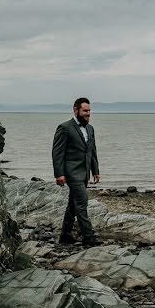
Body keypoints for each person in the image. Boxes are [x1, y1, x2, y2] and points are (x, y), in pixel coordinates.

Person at [52, 97, 102, 246]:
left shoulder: (90, 128)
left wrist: (95, 170)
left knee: (72, 206)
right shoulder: (65, 127)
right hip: (72, 173)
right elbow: (57, 152)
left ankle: (65, 235)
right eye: (85, 111)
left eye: (89, 111)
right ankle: (88, 237)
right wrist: (59, 174)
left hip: (85, 173)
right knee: (82, 202)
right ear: (76, 110)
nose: (88, 114)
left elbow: (92, 151)